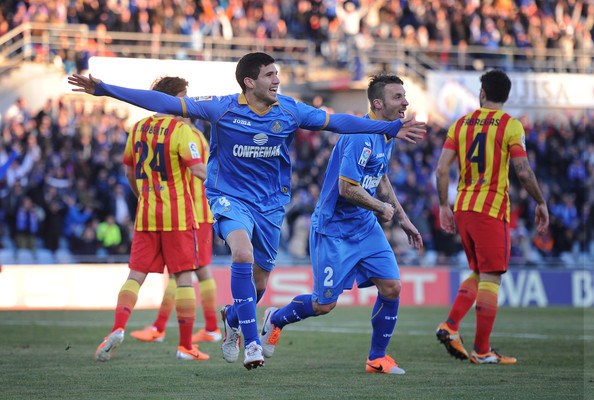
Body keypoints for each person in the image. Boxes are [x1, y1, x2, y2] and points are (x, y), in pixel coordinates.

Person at [68, 52, 426, 370]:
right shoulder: (221, 107)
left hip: (270, 205)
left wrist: (388, 128)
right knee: (241, 251)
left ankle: (231, 318)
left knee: (259, 283)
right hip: (228, 197)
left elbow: (339, 123)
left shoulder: (289, 110)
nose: (277, 80)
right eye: (270, 75)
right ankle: (252, 343)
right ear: (249, 82)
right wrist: (105, 89)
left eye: (277, 75)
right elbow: (158, 101)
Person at [256, 73, 423, 374]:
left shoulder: (385, 133)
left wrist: (402, 218)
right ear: (377, 103)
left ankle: (377, 358)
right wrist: (379, 206)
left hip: (364, 227)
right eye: (398, 97)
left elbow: (379, 175)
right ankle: (276, 319)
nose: (405, 102)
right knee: (323, 305)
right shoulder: (360, 136)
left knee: (392, 286)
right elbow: (348, 188)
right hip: (333, 229)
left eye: (404, 96)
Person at [434, 69, 549, 365]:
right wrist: (540, 201)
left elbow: (441, 169)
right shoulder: (511, 126)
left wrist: (444, 206)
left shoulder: (459, 124)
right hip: (491, 209)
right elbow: (523, 171)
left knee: (480, 272)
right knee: (492, 277)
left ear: (482, 93)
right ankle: (482, 350)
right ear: (506, 97)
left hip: (462, 208)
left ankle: (450, 325)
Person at [94, 77, 210, 363]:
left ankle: (117, 327)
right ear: (176, 97)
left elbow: (129, 172)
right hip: (179, 217)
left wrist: (142, 196)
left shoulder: (137, 128)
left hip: (146, 215)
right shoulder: (182, 131)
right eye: (185, 96)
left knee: (135, 276)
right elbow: (199, 172)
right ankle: (185, 347)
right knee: (183, 279)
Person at [130, 77, 221, 344]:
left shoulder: (187, 133)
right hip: (195, 211)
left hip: (192, 212)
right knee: (190, 271)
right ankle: (201, 327)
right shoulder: (193, 133)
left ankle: (194, 327)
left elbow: (199, 172)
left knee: (188, 271)